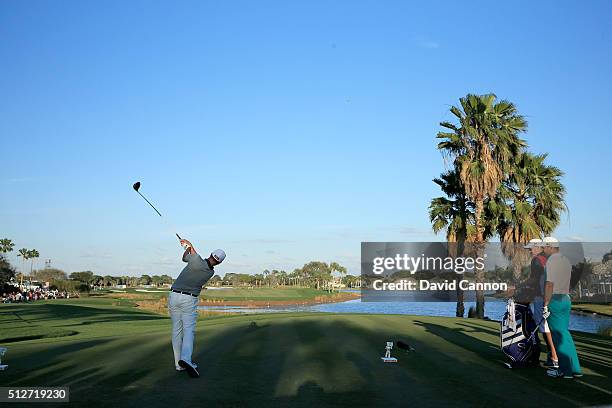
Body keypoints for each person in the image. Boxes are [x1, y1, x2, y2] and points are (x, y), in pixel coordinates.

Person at [169, 238, 225, 378]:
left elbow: (185, 258)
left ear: (211, 254)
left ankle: (178, 364)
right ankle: (186, 360)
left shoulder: (196, 260)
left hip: (174, 295)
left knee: (177, 330)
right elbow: (201, 261)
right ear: (219, 262)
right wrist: (190, 246)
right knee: (188, 330)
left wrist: (188, 247)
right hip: (189, 299)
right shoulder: (210, 273)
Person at [542, 236, 582, 379]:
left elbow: (549, 284)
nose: (544, 250)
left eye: (544, 247)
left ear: (550, 247)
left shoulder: (552, 261)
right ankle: (575, 369)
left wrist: (546, 304)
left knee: (558, 335)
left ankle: (565, 371)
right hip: (566, 299)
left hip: (556, 300)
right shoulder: (565, 260)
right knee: (565, 334)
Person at [521, 238, 559, 369]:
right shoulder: (549, 259)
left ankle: (553, 356)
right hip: (551, 297)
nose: (530, 251)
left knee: (544, 327)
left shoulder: (537, 260)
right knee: (549, 327)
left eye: (531, 248)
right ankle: (553, 355)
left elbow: (534, 279)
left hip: (541, 297)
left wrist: (519, 286)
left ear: (538, 247)